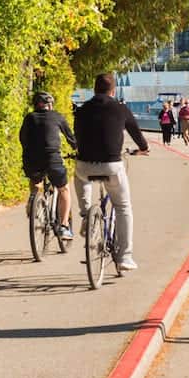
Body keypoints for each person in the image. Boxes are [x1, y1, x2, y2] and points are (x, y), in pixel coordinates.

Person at [74, 73, 150, 271]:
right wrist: (142, 148)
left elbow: (77, 136)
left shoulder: (81, 110)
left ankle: (85, 216)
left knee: (80, 177)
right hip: (111, 166)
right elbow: (138, 136)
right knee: (123, 206)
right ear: (113, 91)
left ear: (94, 89)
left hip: (85, 165)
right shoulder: (120, 108)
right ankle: (125, 256)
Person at [19, 91, 77, 239]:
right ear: (50, 105)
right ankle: (64, 226)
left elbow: (23, 139)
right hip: (53, 160)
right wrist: (78, 151)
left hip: (31, 161)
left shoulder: (29, 118)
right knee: (64, 189)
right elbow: (72, 139)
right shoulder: (57, 116)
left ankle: (33, 201)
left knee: (35, 181)